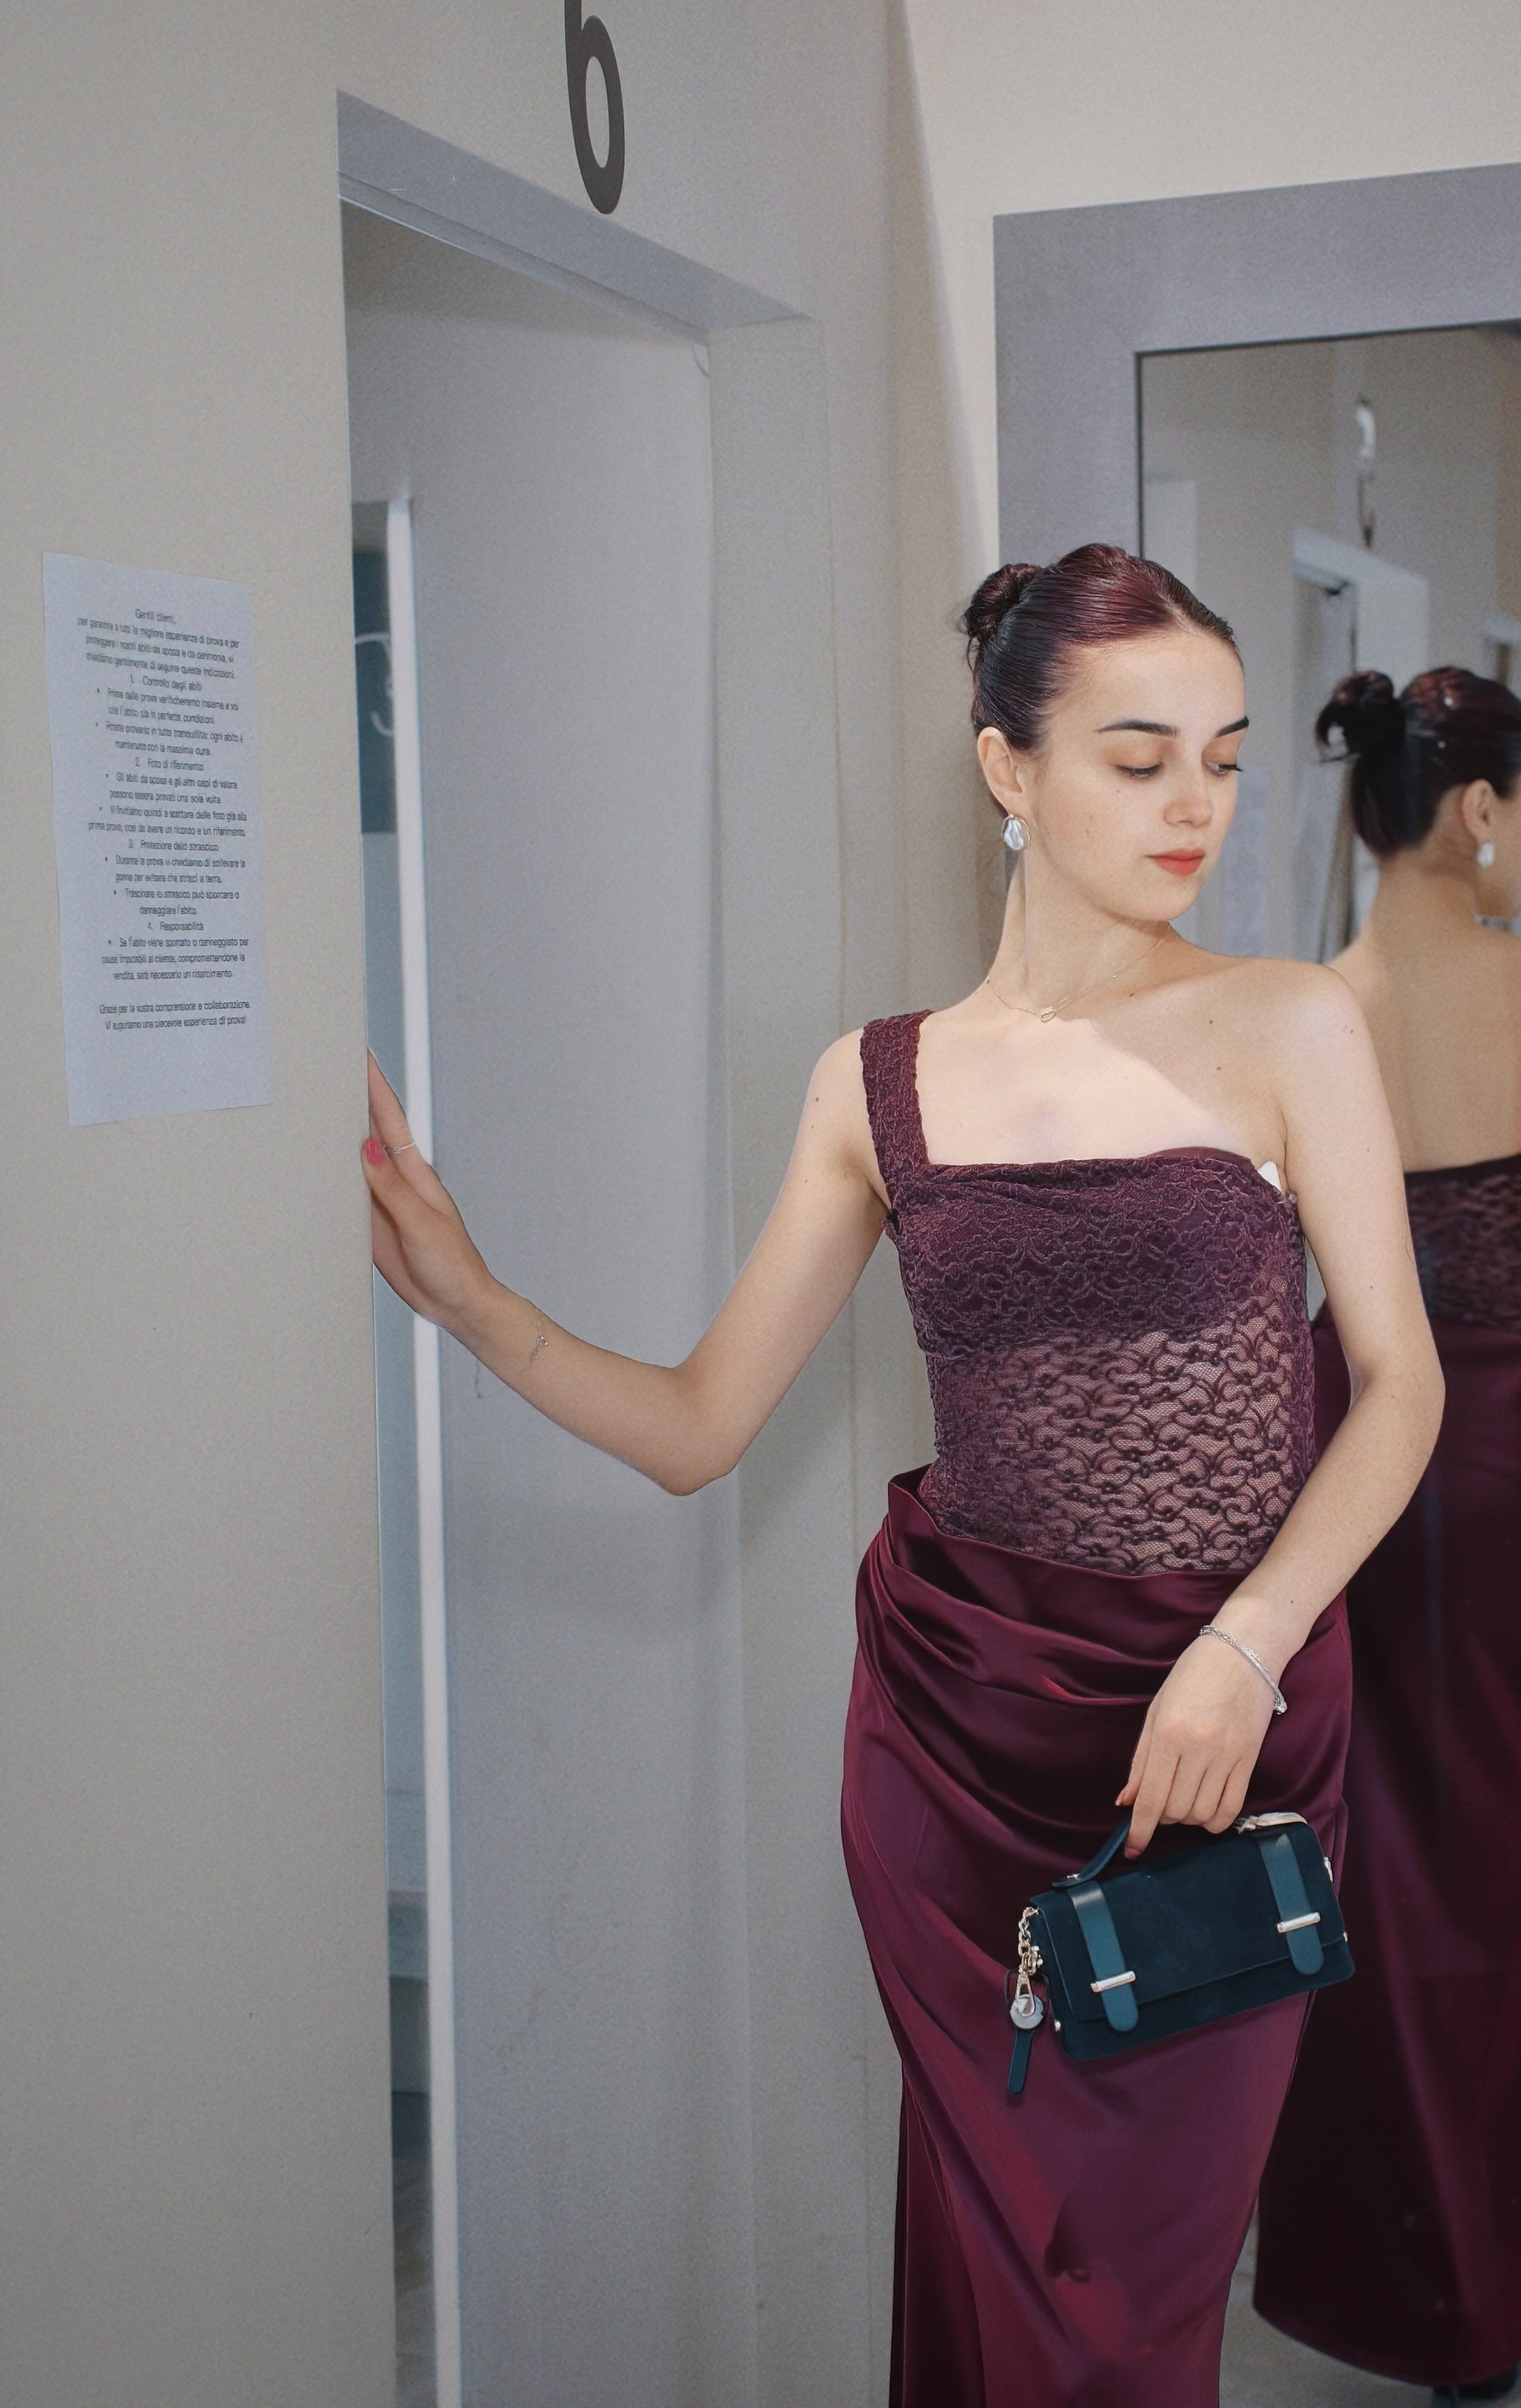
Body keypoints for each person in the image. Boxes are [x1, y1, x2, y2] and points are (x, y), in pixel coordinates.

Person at [361, 547, 1441, 2407]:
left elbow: (1402, 1388)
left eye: (1223, 759)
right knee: (999, 2271)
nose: (1195, 805)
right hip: (962, 1745)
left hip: (1226, 1727)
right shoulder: (877, 1086)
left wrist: (1245, 1647)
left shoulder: (1293, 1024)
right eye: (1139, 759)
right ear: (1007, 767)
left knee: (1135, 2304)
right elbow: (700, 1428)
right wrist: (476, 1304)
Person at [1253, 668, 1521, 2402]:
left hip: (1355, 1436)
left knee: (1378, 1834)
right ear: (1479, 809)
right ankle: (1510, 2269)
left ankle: (1397, 2278)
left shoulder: (1304, 1010)